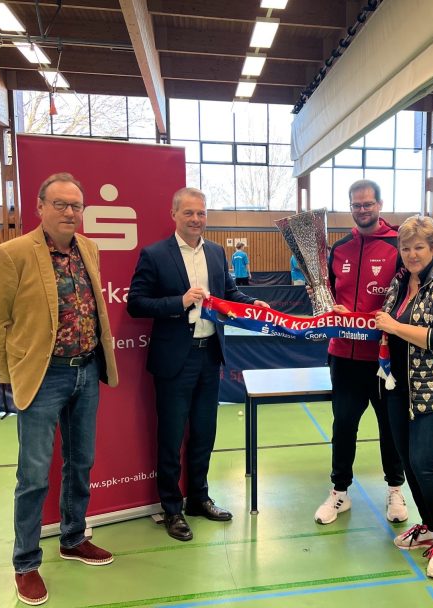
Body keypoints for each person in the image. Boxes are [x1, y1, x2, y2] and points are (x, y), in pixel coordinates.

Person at [0, 172, 119, 606]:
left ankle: (73, 538)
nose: (69, 212)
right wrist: (10, 372)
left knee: (81, 462)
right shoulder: (12, 254)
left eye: (76, 205)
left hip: (86, 371)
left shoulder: (88, 249)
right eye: (60, 204)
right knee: (34, 475)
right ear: (39, 207)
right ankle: (25, 562)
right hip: (42, 377)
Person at [127, 187, 268, 543]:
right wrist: (180, 301)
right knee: (171, 437)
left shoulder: (217, 253)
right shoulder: (155, 254)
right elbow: (136, 303)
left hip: (210, 356)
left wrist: (252, 305)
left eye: (201, 213)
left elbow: (229, 294)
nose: (196, 219)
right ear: (174, 214)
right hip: (175, 359)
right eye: (189, 212)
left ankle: (198, 498)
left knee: (204, 433)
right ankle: (171, 509)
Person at [374, 215, 433, 580]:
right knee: (409, 462)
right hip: (398, 385)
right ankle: (428, 525)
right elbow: (384, 321)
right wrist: (349, 317)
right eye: (405, 248)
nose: (412, 254)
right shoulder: (401, 281)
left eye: (419, 248)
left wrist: (396, 327)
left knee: (425, 463)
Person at [314, 179, 407, 525]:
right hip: (343, 356)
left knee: (390, 428)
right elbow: (325, 294)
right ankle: (339, 492)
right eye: (356, 205)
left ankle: (395, 490)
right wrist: (329, 310)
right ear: (350, 207)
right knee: (344, 426)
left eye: (368, 204)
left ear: (380, 204)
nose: (362, 210)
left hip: (385, 359)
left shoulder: (398, 245)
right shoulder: (339, 248)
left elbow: (406, 300)